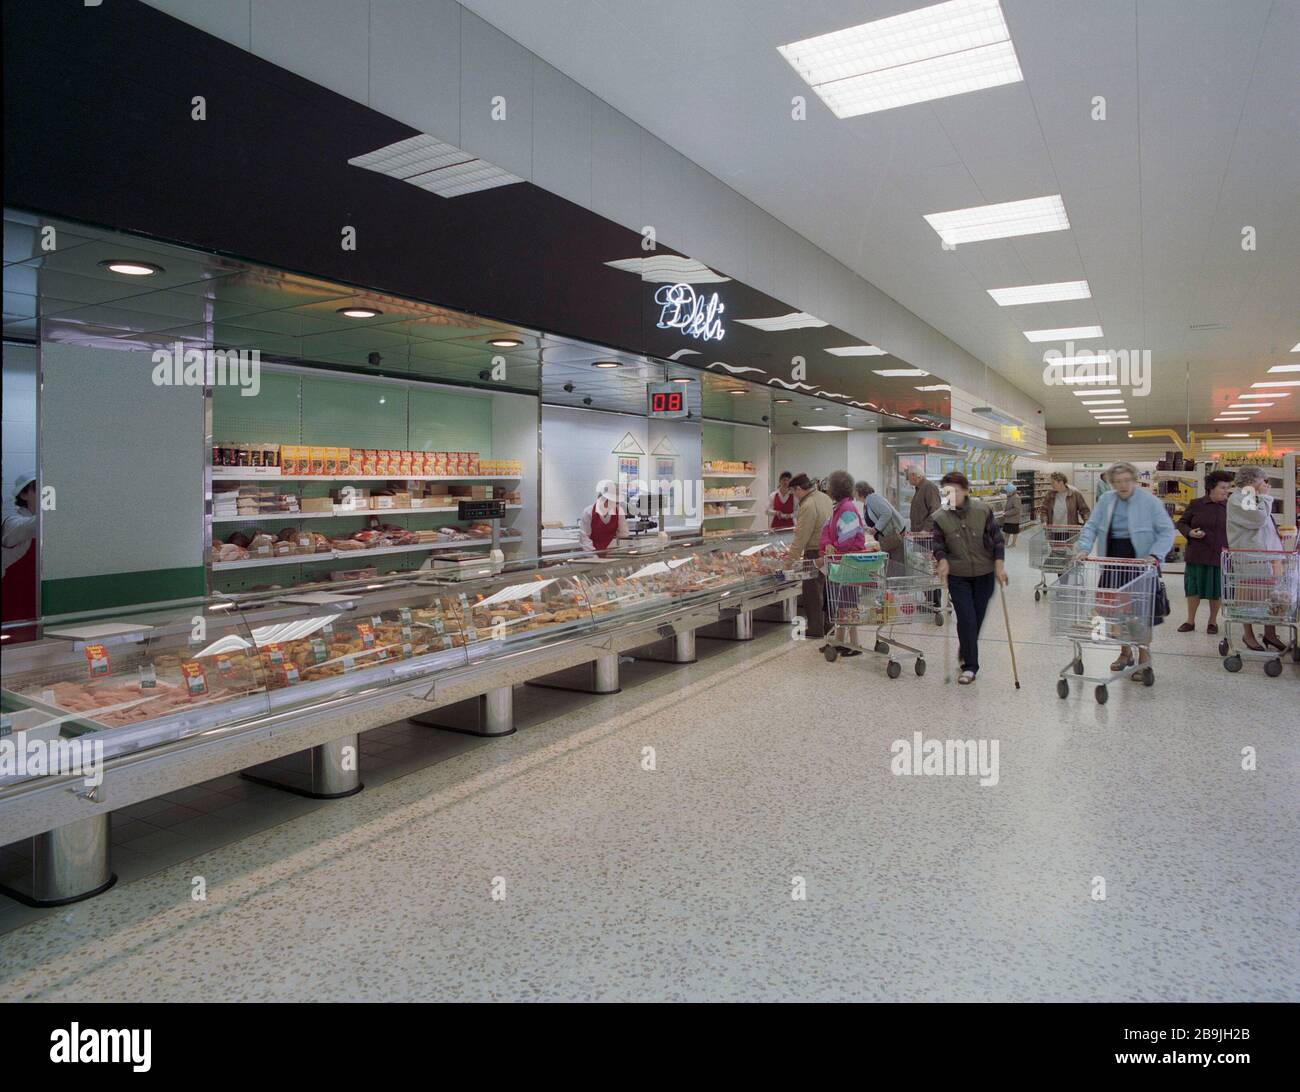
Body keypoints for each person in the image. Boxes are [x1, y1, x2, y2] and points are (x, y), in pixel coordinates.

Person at [1075, 461, 1176, 676]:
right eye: (1118, 482)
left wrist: (1156, 554)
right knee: (1117, 612)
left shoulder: (1148, 500)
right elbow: (1092, 525)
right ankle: (1125, 652)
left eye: (1127, 481)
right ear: (1111, 483)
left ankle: (1145, 657)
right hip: (1113, 560)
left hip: (1141, 562)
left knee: (1141, 613)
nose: (1123, 485)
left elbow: (1166, 530)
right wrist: (1083, 548)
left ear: (1134, 480)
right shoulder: (1106, 500)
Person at [931, 472, 1008, 684]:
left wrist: (999, 566)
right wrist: (942, 560)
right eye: (947, 491)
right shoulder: (940, 517)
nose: (951, 495)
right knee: (966, 617)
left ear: (966, 490)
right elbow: (938, 545)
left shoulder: (983, 510)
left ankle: (965, 648)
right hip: (958, 575)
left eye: (955, 491)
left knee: (976, 619)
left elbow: (997, 540)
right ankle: (970, 667)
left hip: (985, 574)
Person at [1225, 465, 1286, 651]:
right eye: (1263, 481)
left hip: (1267, 558)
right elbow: (1257, 519)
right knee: (1248, 600)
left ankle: (1270, 634)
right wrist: (1267, 497)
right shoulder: (1238, 499)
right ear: (1251, 481)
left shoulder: (1252, 497)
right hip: (1250, 559)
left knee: (1271, 599)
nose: (1266, 485)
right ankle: (1248, 635)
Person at [819, 470, 870, 656]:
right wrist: (828, 546)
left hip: (849, 563)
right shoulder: (838, 508)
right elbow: (825, 532)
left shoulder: (846, 509)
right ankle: (840, 640)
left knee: (848, 602)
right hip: (841, 563)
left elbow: (847, 539)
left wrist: (832, 547)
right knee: (841, 602)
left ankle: (855, 643)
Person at [1174, 470, 1232, 634]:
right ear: (1211, 488)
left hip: (1219, 555)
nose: (1226, 491)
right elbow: (1182, 523)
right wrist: (1190, 532)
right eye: (1222, 487)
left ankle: (1212, 622)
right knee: (1193, 588)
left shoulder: (1229, 507)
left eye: (1227, 487)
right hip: (1197, 554)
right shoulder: (1196, 504)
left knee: (1216, 591)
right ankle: (1190, 621)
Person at [787, 473, 833, 641]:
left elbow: (801, 538)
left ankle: (815, 628)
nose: (794, 495)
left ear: (799, 489)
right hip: (828, 550)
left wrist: (789, 562)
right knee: (828, 589)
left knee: (812, 591)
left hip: (814, 551)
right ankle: (830, 624)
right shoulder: (824, 498)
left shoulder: (807, 505)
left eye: (793, 491)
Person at [1, 472, 39, 629]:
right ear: (24, 494)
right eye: (40, 489)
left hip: (38, 603)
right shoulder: (13, 522)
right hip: (14, 605)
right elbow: (32, 526)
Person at [855, 480, 906, 563]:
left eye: (855, 491)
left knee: (896, 565)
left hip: (894, 536)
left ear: (859, 491)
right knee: (891, 565)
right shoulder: (867, 502)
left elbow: (887, 513)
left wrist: (875, 529)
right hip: (887, 538)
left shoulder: (873, 498)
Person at [578, 480, 627, 552]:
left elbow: (623, 534)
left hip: (611, 553)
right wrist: (594, 556)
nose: (614, 504)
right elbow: (584, 538)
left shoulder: (619, 512)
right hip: (591, 554)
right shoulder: (588, 512)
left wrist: (613, 551)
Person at [906, 465, 941, 532]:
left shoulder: (929, 487)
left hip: (926, 534)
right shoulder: (919, 488)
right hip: (919, 533)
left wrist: (926, 529)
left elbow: (936, 510)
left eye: (908, 476)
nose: (908, 479)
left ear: (913, 475)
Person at [999, 482, 1023, 547]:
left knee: (1013, 531)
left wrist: (1006, 513)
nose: (1007, 493)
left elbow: (1016, 509)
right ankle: (1005, 543)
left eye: (1008, 492)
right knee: (1006, 532)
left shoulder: (1016, 498)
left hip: (1013, 519)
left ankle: (1013, 544)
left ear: (1012, 491)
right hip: (1009, 518)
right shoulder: (1011, 496)